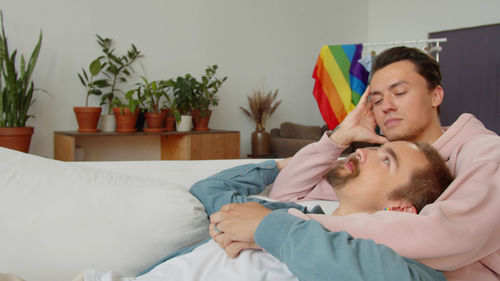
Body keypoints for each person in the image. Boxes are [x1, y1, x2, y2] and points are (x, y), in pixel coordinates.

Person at [210, 46, 500, 281]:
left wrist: (274, 227)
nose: (386, 106)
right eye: (376, 99)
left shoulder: (484, 151)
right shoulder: (373, 162)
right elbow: (286, 196)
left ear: (435, 95)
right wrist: (338, 138)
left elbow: (450, 235)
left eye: (399, 93)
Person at [77, 140, 452, 281]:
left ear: (401, 207)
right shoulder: (291, 211)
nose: (364, 151)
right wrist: (282, 165)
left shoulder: (400, 265)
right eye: (373, 147)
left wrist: (268, 230)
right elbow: (211, 190)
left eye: (386, 161)